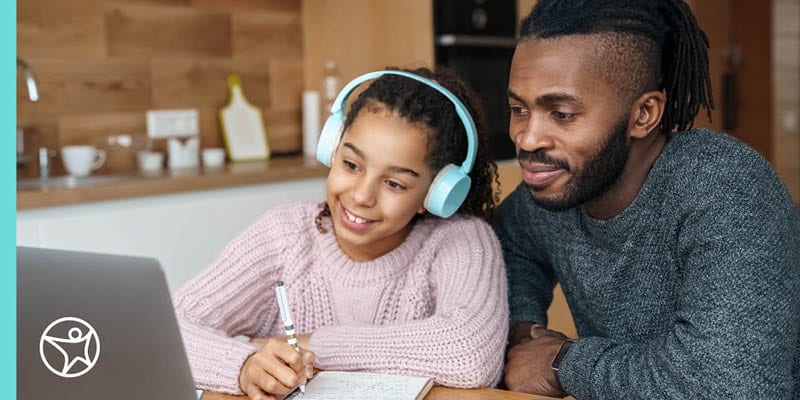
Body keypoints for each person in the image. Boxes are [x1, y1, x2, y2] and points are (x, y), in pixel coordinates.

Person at [493, 0, 800, 399]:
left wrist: (562, 362)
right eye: (518, 109)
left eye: (562, 113)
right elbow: (510, 246)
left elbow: (731, 387)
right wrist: (524, 334)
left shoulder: (724, 188)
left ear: (643, 115)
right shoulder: (560, 188)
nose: (528, 138)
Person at [173, 67, 509, 400]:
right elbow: (167, 327)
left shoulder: (461, 240)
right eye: (351, 165)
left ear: (436, 193)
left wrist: (312, 345)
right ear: (331, 150)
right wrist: (243, 365)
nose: (362, 196)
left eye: (394, 183)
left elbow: (471, 353)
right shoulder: (285, 233)